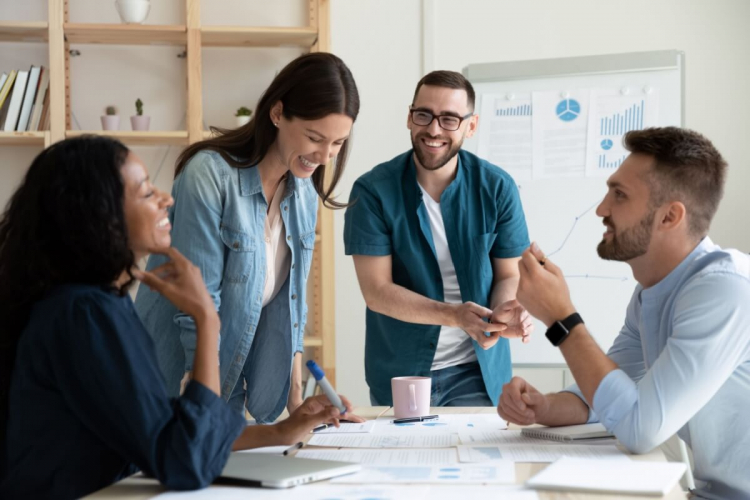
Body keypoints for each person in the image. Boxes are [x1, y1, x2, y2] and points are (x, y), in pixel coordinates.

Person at [0, 137, 358, 499]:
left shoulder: (94, 304)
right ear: (99, 214)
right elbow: (185, 461)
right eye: (145, 193)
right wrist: (206, 318)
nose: (166, 199)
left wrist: (281, 432)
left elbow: (165, 426)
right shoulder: (86, 314)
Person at [500, 127, 750, 499]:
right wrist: (545, 407)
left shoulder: (724, 290)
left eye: (619, 195)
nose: (602, 209)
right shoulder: (652, 292)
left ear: (669, 217)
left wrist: (561, 318)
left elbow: (638, 427)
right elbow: (606, 396)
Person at [134, 52, 359, 422]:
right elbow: (198, 304)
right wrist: (202, 407)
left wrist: (297, 402)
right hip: (173, 383)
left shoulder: (303, 193)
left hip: (227, 385)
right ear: (276, 113)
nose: (324, 156)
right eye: (315, 138)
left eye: (337, 143)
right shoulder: (209, 176)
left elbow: (293, 306)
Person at [344, 70, 533, 407]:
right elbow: (377, 292)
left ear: (470, 126)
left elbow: (509, 274)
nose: (433, 129)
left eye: (449, 119)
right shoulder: (372, 191)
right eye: (424, 115)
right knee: (404, 460)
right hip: (401, 373)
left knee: (477, 460)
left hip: (477, 370)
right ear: (409, 117)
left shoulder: (497, 187)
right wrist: (455, 315)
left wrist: (502, 313)